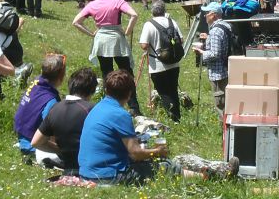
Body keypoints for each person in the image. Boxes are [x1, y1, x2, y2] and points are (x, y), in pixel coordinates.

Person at [78, 70, 238, 184]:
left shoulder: (98, 108)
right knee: (166, 166)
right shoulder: (120, 115)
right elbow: (136, 153)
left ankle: (211, 170)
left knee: (152, 139)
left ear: (106, 90)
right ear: (129, 94)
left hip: (88, 171)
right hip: (108, 175)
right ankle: (213, 177)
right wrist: (157, 151)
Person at [72, 0, 140, 114]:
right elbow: (134, 15)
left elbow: (76, 22)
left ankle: (109, 106)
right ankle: (134, 107)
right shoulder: (118, 1)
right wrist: (127, 31)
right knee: (127, 72)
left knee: (107, 74)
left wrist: (92, 34)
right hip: (116, 39)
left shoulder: (93, 4)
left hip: (101, 40)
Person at [31, 67, 98, 173]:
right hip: (89, 167)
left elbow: (36, 142)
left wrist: (62, 151)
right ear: (92, 90)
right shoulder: (91, 110)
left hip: (68, 166)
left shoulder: (55, 108)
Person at [14, 53, 66, 160]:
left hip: (22, 134)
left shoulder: (37, 81)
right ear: (61, 75)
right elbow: (52, 133)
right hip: (32, 144)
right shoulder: (51, 101)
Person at [139, 0, 184, 122]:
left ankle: (172, 118)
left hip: (158, 65)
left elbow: (144, 45)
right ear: (164, 11)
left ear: (152, 11)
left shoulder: (149, 24)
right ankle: (177, 116)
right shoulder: (172, 22)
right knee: (173, 89)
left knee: (163, 91)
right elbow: (182, 40)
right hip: (174, 63)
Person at [193, 1, 233, 116]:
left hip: (218, 73)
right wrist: (208, 37)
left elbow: (215, 54)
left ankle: (224, 130)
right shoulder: (226, 25)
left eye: (207, 13)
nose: (205, 15)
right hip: (227, 69)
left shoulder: (215, 31)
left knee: (221, 104)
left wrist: (201, 52)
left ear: (214, 15)